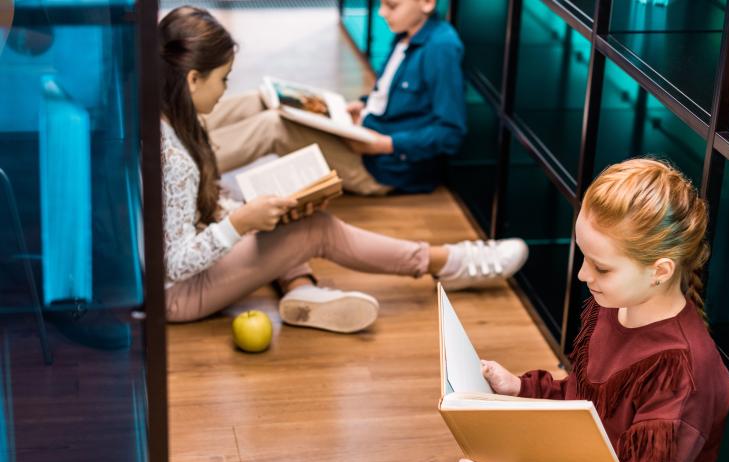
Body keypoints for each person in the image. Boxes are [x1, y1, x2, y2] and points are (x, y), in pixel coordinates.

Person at [168, 158, 729, 462]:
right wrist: (522, 387)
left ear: (661, 270)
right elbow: (585, 395)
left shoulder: (684, 375)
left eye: (600, 266)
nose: (584, 274)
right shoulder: (620, 301)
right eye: (584, 256)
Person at [160, 6, 526, 332]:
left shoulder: (161, 119)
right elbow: (176, 264)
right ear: (192, 79)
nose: (225, 89)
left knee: (274, 211)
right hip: (180, 291)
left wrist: (242, 216)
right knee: (315, 228)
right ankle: (449, 262)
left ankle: (301, 288)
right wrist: (240, 222)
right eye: (223, 79)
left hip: (177, 276)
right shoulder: (177, 159)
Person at [207, 0, 466, 196]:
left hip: (381, 167)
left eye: (392, 5)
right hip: (361, 135)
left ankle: (191, 168)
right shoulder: (405, 34)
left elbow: (451, 133)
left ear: (427, 3)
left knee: (275, 127)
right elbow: (389, 95)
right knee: (260, 98)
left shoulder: (441, 48)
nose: (381, 13)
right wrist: (363, 106)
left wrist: (385, 144)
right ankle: (186, 135)